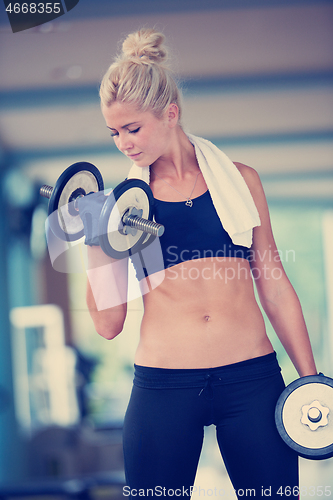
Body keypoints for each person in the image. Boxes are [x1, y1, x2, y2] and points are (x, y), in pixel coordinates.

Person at [85, 28, 317, 499]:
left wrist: (309, 381)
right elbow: (109, 324)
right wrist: (94, 239)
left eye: (133, 128)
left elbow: (272, 283)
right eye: (114, 133)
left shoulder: (241, 182)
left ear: (170, 114)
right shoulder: (118, 208)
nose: (124, 144)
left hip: (251, 378)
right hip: (164, 387)